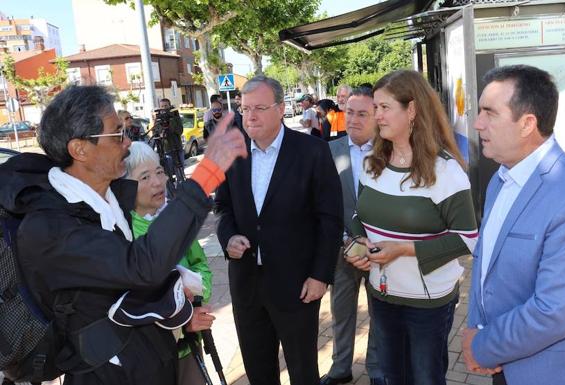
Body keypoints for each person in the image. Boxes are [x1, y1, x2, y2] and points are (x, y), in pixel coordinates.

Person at [0, 85, 246, 385]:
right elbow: (141, 266)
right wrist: (207, 174)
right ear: (80, 149)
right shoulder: (51, 228)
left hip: (151, 362)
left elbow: (124, 296)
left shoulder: (108, 197)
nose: (128, 142)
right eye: (117, 134)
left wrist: (177, 313)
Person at [462, 65, 565, 385]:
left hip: (555, 373)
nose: (477, 124)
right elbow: (486, 266)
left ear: (527, 124)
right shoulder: (499, 180)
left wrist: (481, 346)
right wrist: (477, 329)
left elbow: (554, 311)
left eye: (489, 113)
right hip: (502, 364)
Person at [345, 70, 478, 385]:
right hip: (382, 295)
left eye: (384, 107)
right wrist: (356, 243)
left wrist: (404, 249)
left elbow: (468, 239)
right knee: (393, 377)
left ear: (413, 110)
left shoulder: (445, 172)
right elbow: (357, 215)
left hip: (428, 304)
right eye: (375, 108)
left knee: (426, 379)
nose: (376, 116)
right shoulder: (371, 164)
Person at [214, 76, 343, 385]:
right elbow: (223, 208)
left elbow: (330, 218)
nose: (251, 116)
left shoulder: (312, 151)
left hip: (297, 285)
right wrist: (228, 237)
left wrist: (320, 275)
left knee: (302, 372)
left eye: (259, 107)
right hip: (246, 285)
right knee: (258, 371)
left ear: (281, 109)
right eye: (245, 109)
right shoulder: (232, 151)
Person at [124, 141, 215, 385]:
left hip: (189, 350)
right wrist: (185, 319)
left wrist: (197, 295)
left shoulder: (173, 219)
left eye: (159, 172)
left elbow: (200, 264)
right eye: (145, 177)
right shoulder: (123, 233)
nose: (157, 182)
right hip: (150, 358)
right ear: (126, 185)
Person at [321, 87, 383, 385]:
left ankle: (377, 369)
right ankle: (340, 368)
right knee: (341, 313)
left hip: (381, 252)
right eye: (350, 113)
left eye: (362, 114)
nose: (354, 120)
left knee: (380, 314)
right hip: (341, 248)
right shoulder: (328, 151)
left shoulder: (391, 152)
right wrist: (346, 239)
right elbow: (322, 204)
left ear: (376, 116)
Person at [153, 98, 185, 168]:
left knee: (180, 169)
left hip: (177, 148)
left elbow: (180, 131)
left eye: (166, 106)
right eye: (162, 106)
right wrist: (160, 132)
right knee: (168, 171)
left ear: (169, 106)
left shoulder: (175, 116)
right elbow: (155, 132)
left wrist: (171, 119)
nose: (164, 108)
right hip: (166, 150)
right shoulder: (158, 119)